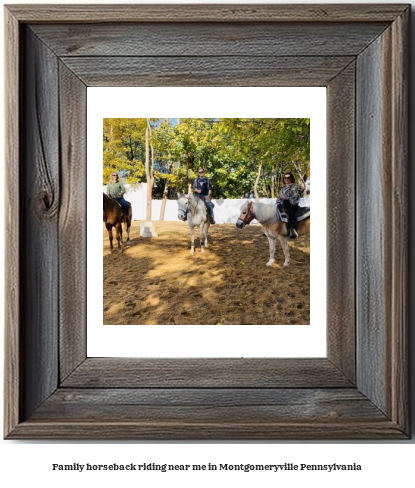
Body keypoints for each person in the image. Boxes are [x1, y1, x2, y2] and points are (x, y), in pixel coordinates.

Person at [277, 171, 300, 239]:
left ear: (291, 179)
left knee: (290, 214)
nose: (286, 179)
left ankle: (294, 231)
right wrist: (278, 201)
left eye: (288, 178)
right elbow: (280, 197)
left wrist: (286, 198)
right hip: (284, 204)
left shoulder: (293, 187)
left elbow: (296, 196)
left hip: (292, 204)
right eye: (285, 178)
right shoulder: (282, 189)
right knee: (275, 212)